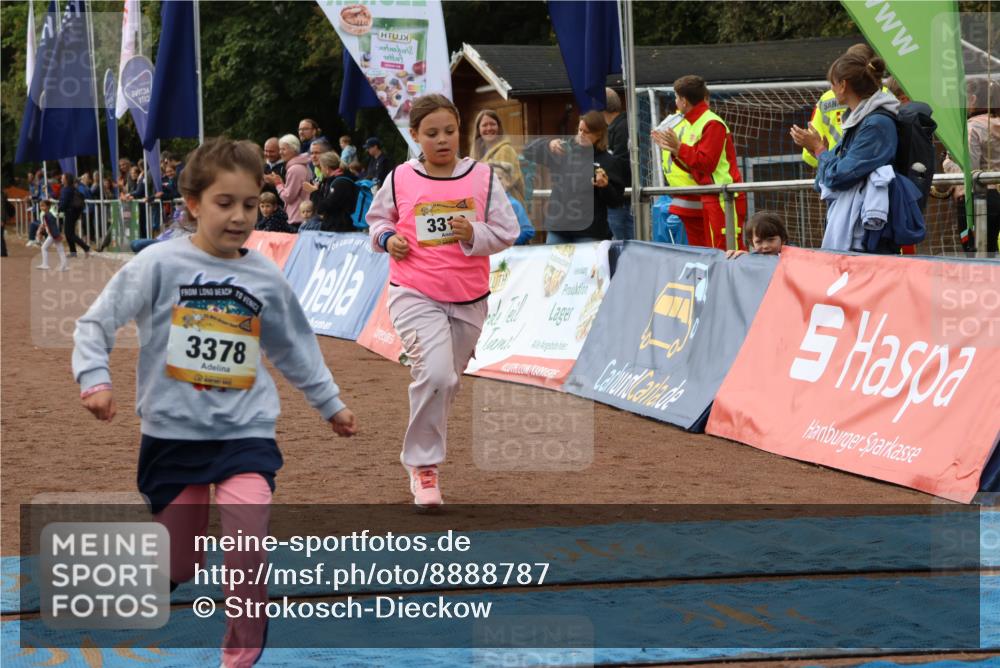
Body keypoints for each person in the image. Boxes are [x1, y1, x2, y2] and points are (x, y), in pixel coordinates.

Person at [72, 138, 358, 668]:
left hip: (245, 432)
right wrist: (95, 379)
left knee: (247, 540)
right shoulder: (157, 265)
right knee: (177, 563)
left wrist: (330, 403)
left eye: (250, 204)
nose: (240, 216)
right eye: (225, 203)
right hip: (173, 436)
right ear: (193, 204)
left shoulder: (264, 275)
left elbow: (294, 345)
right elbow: (96, 322)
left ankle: (241, 650)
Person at [367, 94, 519, 506]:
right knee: (436, 376)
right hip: (414, 291)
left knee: (446, 380)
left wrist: (472, 234)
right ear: (415, 136)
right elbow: (377, 220)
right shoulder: (399, 177)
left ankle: (424, 452)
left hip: (470, 296)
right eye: (431, 133)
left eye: (449, 131)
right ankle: (423, 466)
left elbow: (508, 231)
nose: (442, 140)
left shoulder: (483, 177)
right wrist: (388, 238)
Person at [792, 52, 899, 252]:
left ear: (843, 85)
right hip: (860, 228)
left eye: (832, 83)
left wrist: (818, 148)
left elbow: (838, 176)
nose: (831, 90)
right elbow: (823, 180)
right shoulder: (859, 119)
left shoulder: (875, 123)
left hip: (870, 233)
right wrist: (821, 153)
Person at [652, 75, 747, 251]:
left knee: (727, 250)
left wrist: (678, 148)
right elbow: (694, 166)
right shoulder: (693, 123)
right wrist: (673, 149)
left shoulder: (711, 123)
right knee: (712, 251)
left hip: (724, 196)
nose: (675, 102)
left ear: (683, 101)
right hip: (712, 195)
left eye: (676, 97)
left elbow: (706, 163)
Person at [522, 110, 625, 244]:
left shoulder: (608, 161)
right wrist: (548, 144)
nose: (581, 134)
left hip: (590, 232)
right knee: (555, 266)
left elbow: (616, 201)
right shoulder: (562, 151)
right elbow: (527, 151)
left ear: (598, 134)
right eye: (579, 130)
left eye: (586, 132)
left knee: (586, 266)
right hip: (558, 229)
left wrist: (605, 186)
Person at [943, 77, 1000, 254]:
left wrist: (947, 161)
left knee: (977, 254)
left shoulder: (972, 127)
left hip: (979, 201)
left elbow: (968, 168)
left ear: (973, 99)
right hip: (996, 193)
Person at [800, 43, 877, 169]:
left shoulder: (826, 99)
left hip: (834, 168)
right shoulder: (884, 96)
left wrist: (823, 157)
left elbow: (808, 155)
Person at [471, 110, 525, 206]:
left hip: (508, 207)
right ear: (478, 129)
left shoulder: (505, 150)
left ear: (499, 127)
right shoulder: (478, 154)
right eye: (484, 125)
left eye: (492, 124)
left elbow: (498, 187)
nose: (489, 128)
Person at [604, 87, 634, 240]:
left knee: (623, 245)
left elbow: (620, 162)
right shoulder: (618, 126)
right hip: (620, 197)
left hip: (622, 199)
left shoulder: (622, 128)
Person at [265, 134, 312, 228]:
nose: (280, 152)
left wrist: (277, 183)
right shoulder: (301, 165)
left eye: (283, 149)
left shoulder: (295, 169)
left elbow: (288, 197)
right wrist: (281, 183)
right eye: (280, 149)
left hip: (297, 217)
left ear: (294, 149)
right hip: (300, 216)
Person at [304, 152, 358, 233]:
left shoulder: (340, 183)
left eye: (321, 167)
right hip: (335, 227)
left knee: (305, 228)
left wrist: (314, 191)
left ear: (327, 168)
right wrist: (316, 190)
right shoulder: (332, 180)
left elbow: (322, 207)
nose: (321, 170)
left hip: (340, 229)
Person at [491, 160, 534, 244]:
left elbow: (528, 231)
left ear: (508, 182)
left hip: (511, 253)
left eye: (499, 178)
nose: (495, 182)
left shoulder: (513, 204)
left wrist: (508, 242)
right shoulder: (484, 205)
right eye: (491, 179)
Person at [59, 173, 91, 257]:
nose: (61, 179)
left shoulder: (66, 189)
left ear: (66, 180)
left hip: (70, 212)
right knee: (69, 233)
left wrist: (59, 209)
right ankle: (73, 252)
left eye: (62, 178)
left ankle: (85, 247)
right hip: (74, 212)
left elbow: (64, 202)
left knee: (69, 233)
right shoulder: (72, 188)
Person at [35, 199, 68, 271]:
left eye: (43, 206)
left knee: (44, 248)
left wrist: (56, 236)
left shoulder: (48, 216)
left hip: (53, 235)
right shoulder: (47, 215)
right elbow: (47, 226)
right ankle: (64, 265)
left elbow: (53, 227)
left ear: (48, 206)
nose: (41, 207)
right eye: (40, 206)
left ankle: (45, 264)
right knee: (60, 249)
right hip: (54, 235)